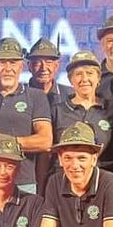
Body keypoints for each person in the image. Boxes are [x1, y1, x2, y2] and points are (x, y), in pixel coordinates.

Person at [0, 38, 52, 198]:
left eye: (13, 62)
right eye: (2, 62)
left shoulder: (36, 96)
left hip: (23, 182)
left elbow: (45, 141)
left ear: (21, 66)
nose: (7, 69)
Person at [53, 50, 113, 172]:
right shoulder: (57, 111)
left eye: (89, 73)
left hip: (104, 175)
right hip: (66, 175)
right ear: (70, 80)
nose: (84, 79)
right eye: (78, 74)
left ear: (98, 78)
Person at [27, 37, 72, 190]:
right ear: (29, 66)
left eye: (49, 62)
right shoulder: (19, 95)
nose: (43, 67)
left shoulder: (70, 95)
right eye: (37, 62)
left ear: (57, 66)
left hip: (60, 171)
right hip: (27, 169)